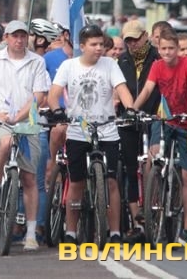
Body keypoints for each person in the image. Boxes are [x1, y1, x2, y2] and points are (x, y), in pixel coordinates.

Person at [49, 24, 135, 245]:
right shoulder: (69, 66)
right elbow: (53, 94)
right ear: (82, 46)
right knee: (76, 182)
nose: (99, 48)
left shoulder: (110, 64)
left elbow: (123, 89)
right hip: (78, 131)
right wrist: (57, 111)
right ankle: (71, 231)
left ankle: (114, 232)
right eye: (94, 44)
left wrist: (131, 109)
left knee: (111, 181)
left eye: (101, 44)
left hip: (107, 130)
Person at [0, 20, 50, 252]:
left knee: (29, 178)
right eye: (14, 36)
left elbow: (39, 96)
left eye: (23, 36)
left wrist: (20, 116)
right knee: (5, 142)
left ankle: (31, 233)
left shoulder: (37, 61)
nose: (19, 40)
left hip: (28, 122)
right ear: (6, 38)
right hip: (0, 119)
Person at [131, 28, 187, 246]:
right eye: (163, 48)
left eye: (171, 48)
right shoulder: (157, 66)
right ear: (158, 48)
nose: (167, 53)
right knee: (153, 156)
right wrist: (132, 109)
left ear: (177, 49)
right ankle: (150, 203)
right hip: (166, 120)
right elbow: (147, 90)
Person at [115, 18, 160, 241]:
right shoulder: (122, 61)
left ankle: (154, 214)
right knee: (131, 169)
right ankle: (136, 223)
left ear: (145, 36)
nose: (132, 44)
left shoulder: (157, 59)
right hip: (128, 121)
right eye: (128, 40)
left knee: (153, 165)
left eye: (136, 39)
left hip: (153, 118)